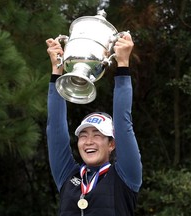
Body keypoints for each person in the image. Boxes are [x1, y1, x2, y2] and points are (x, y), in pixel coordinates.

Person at [46, 33, 142, 216]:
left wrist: (123, 65)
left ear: (112, 144)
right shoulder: (68, 175)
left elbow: (123, 124)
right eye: (83, 135)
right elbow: (55, 129)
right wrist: (56, 70)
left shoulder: (125, 176)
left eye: (97, 135)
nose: (88, 141)